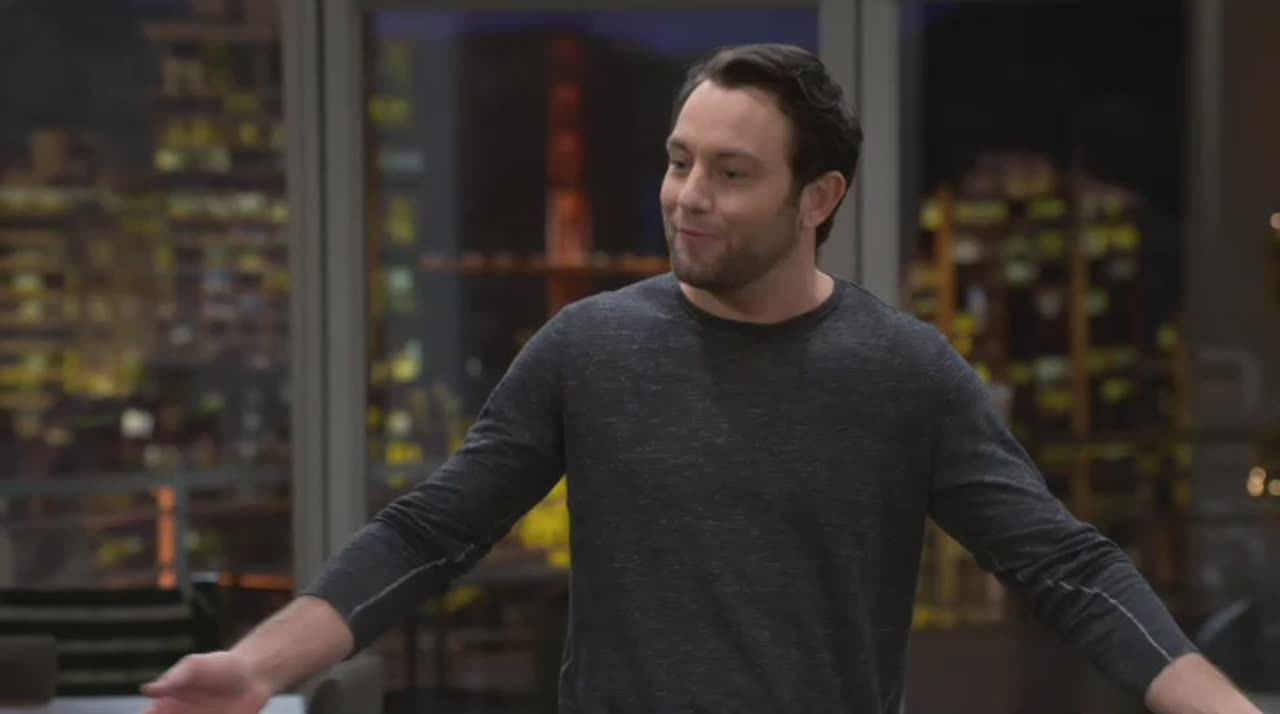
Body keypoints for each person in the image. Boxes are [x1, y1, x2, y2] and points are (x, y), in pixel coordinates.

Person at [142, 43, 1260, 714]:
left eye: (730, 173)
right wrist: (256, 667)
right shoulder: (587, 348)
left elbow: (1063, 565)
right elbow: (430, 533)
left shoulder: (901, 374)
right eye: (679, 161)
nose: (686, 196)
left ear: (816, 198)